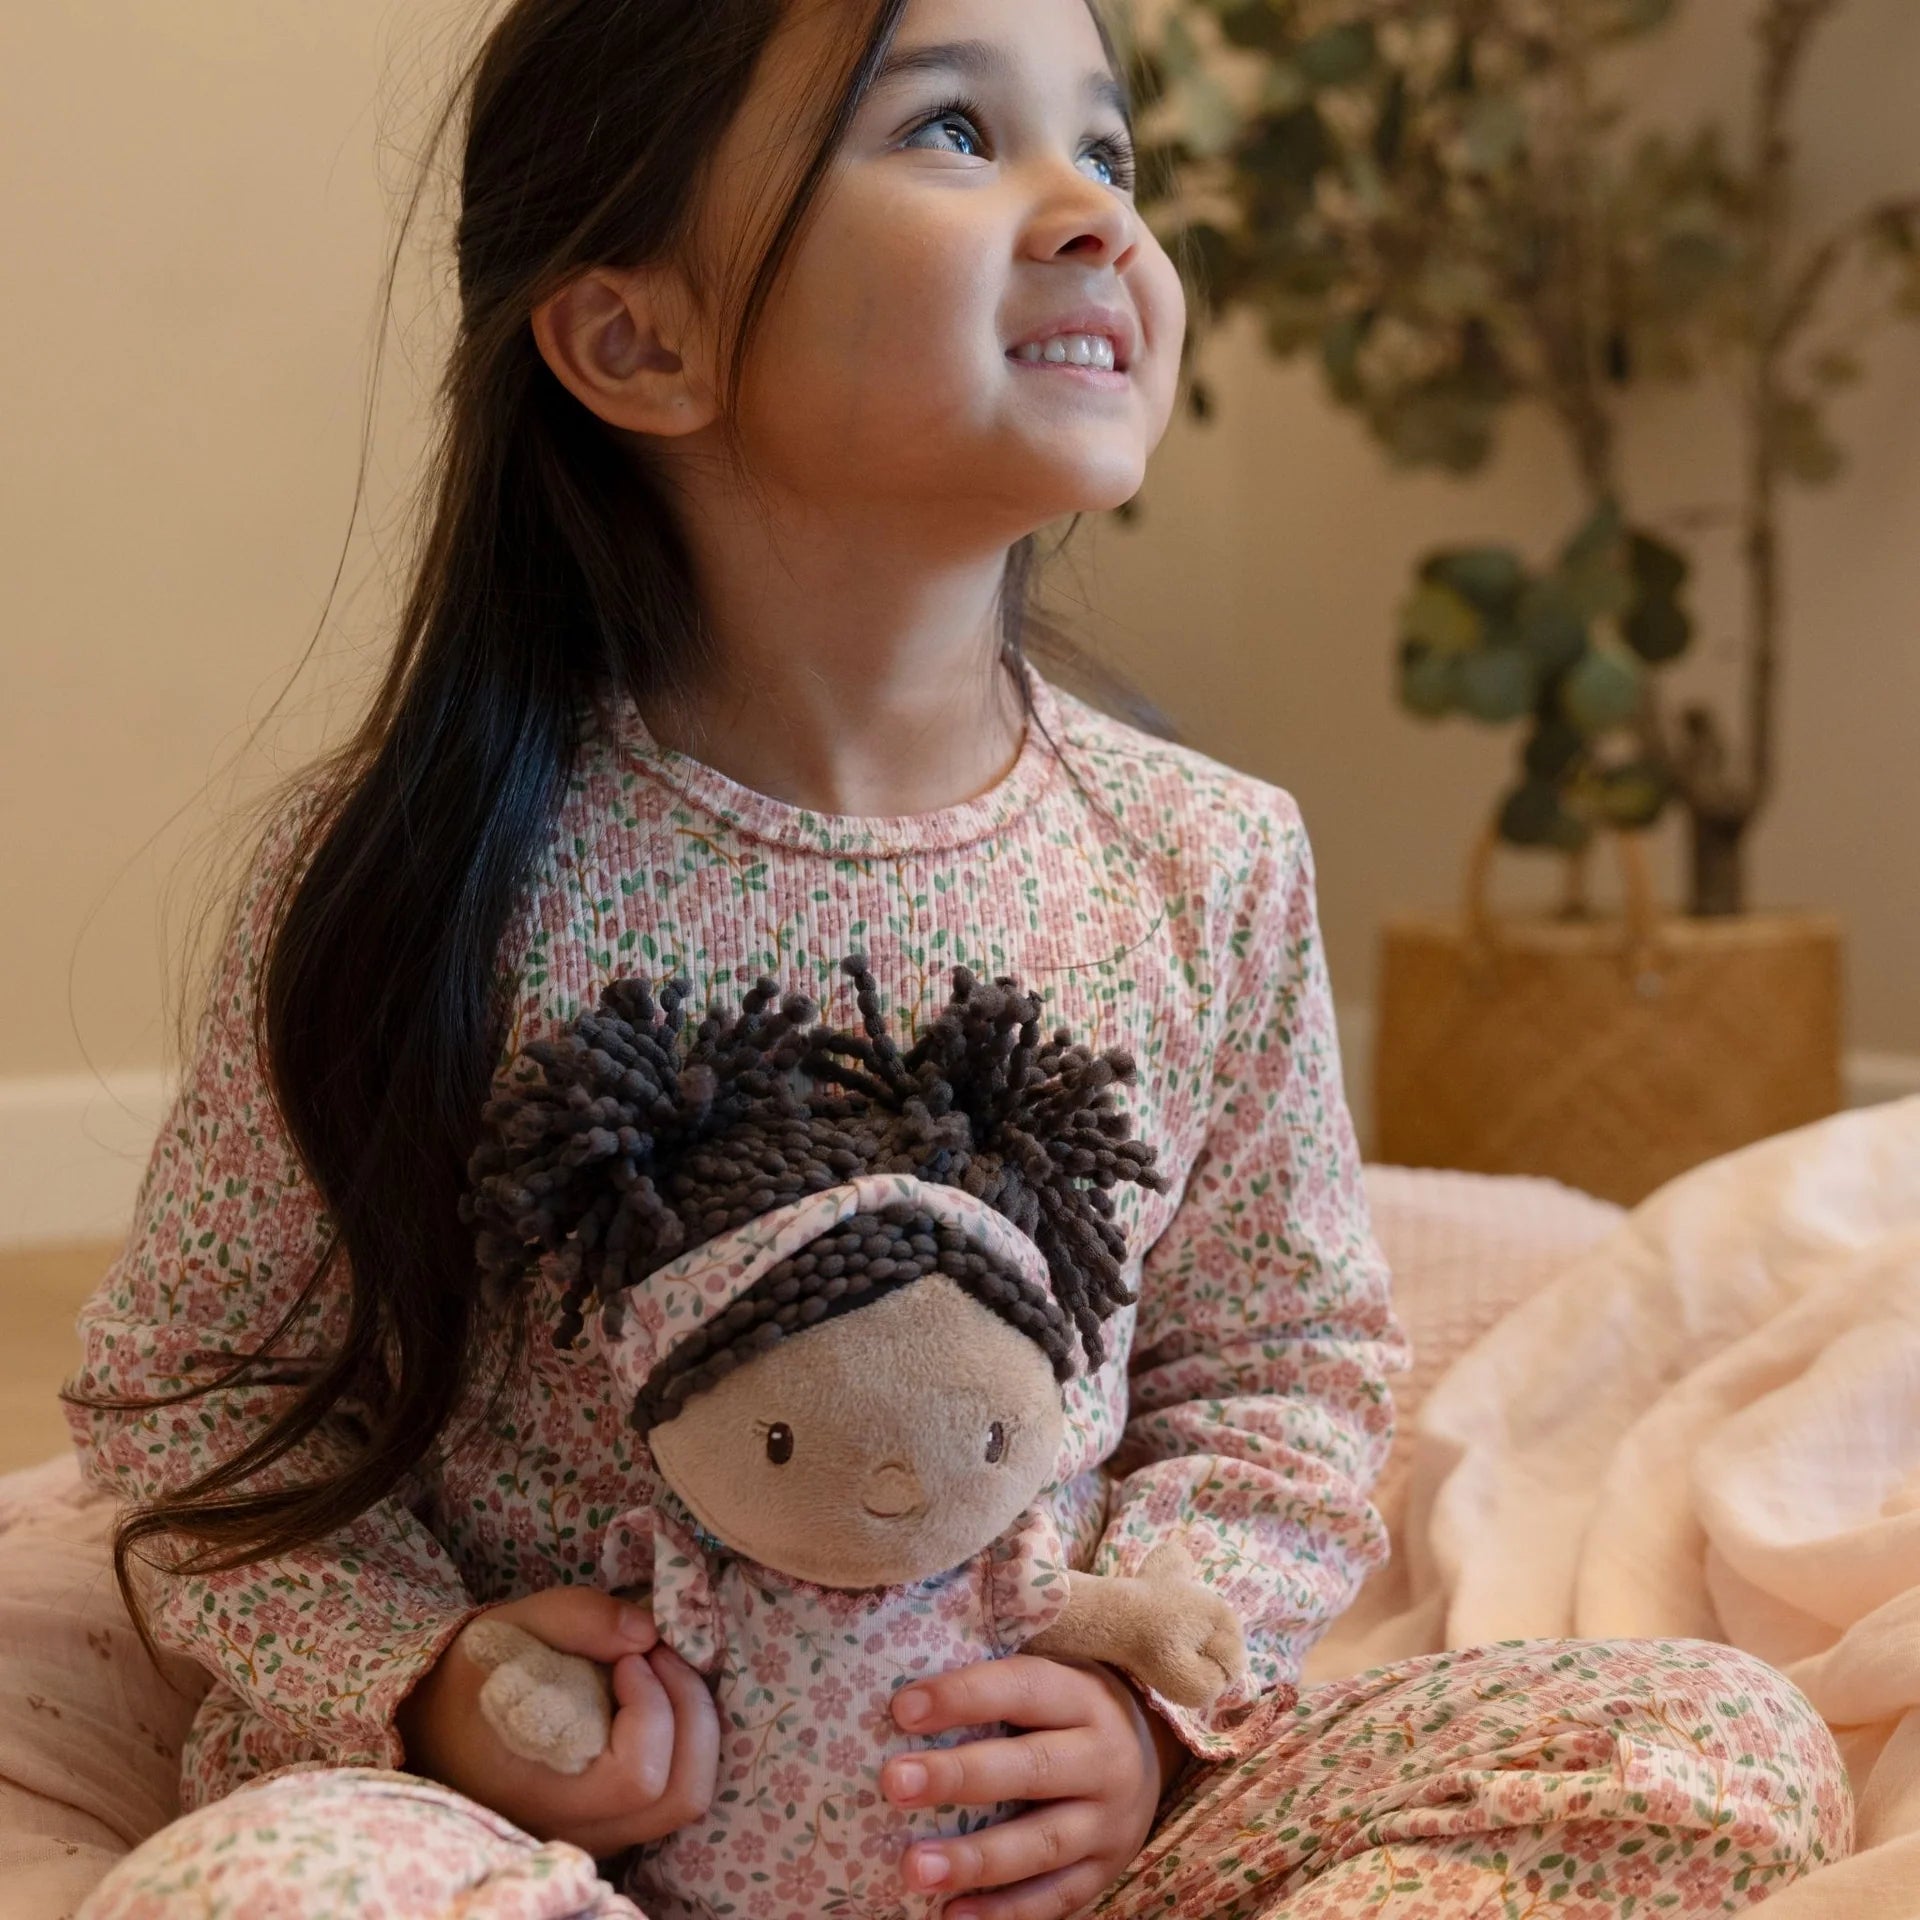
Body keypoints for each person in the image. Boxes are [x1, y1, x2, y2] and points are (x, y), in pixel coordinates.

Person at [65, 0, 1850, 1914]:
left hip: (1072, 1876)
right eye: (945, 129)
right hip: (548, 1868)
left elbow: (1283, 1367)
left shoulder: (1206, 861)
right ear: (635, 334)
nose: (1093, 213)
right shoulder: (413, 876)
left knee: (1712, 1746)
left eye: (1110, 151)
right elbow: (205, 1404)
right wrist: (438, 1696)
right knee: (265, 1887)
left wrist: (1149, 1701)